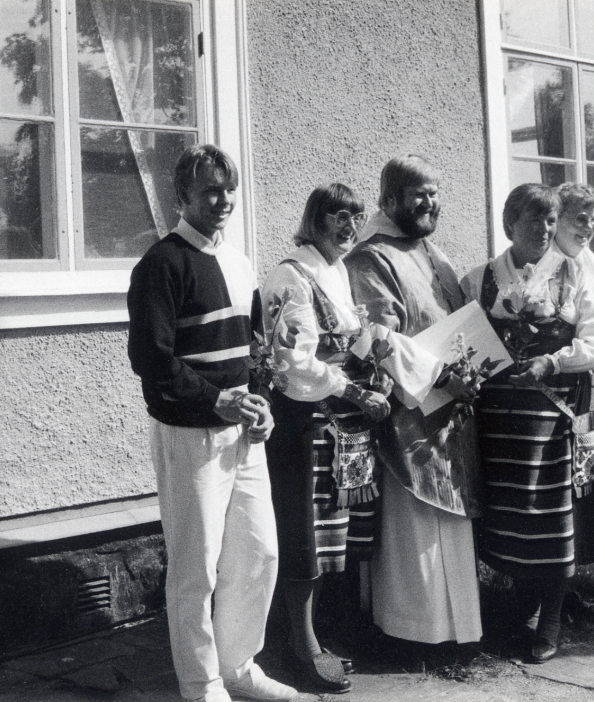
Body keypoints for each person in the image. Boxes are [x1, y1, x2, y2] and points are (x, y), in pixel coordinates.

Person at [127, 144, 297, 702]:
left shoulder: (238, 261)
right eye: (210, 191)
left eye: (229, 189)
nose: (223, 200)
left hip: (242, 432)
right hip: (189, 434)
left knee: (258, 553)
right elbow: (152, 361)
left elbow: (254, 348)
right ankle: (200, 685)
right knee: (195, 568)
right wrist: (215, 400)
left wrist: (261, 398)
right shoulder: (162, 263)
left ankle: (238, 667)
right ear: (183, 196)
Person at [261, 183, 446, 692]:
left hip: (341, 422)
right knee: (306, 534)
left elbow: (351, 339)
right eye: (337, 216)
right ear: (315, 219)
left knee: (335, 534)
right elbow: (292, 363)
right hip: (305, 422)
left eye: (356, 217)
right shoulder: (290, 275)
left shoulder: (338, 270)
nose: (348, 226)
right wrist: (353, 390)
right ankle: (299, 645)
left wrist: (379, 370)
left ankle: (327, 632)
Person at [460, 182, 594, 663]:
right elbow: (463, 342)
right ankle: (520, 602)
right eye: (535, 220)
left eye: (552, 221)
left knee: (553, 516)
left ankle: (549, 615)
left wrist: (551, 363)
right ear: (509, 223)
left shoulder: (577, 274)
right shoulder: (479, 279)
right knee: (510, 514)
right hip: (499, 423)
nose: (546, 229)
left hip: (553, 417)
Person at [344, 154, 483, 647]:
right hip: (409, 409)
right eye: (419, 194)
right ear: (388, 200)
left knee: (449, 521)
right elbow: (375, 336)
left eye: (435, 192)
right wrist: (441, 374)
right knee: (415, 529)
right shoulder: (370, 257)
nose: (430, 203)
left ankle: (458, 629)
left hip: (450, 407)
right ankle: (410, 630)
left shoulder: (433, 252)